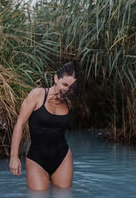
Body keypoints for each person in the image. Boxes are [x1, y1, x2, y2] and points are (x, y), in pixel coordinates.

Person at [9, 61, 82, 191]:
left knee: (64, 196)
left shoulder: (68, 103)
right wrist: (14, 157)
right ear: (55, 78)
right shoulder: (37, 95)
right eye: (64, 84)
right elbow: (19, 124)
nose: (67, 90)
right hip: (37, 159)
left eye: (71, 88)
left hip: (62, 158)